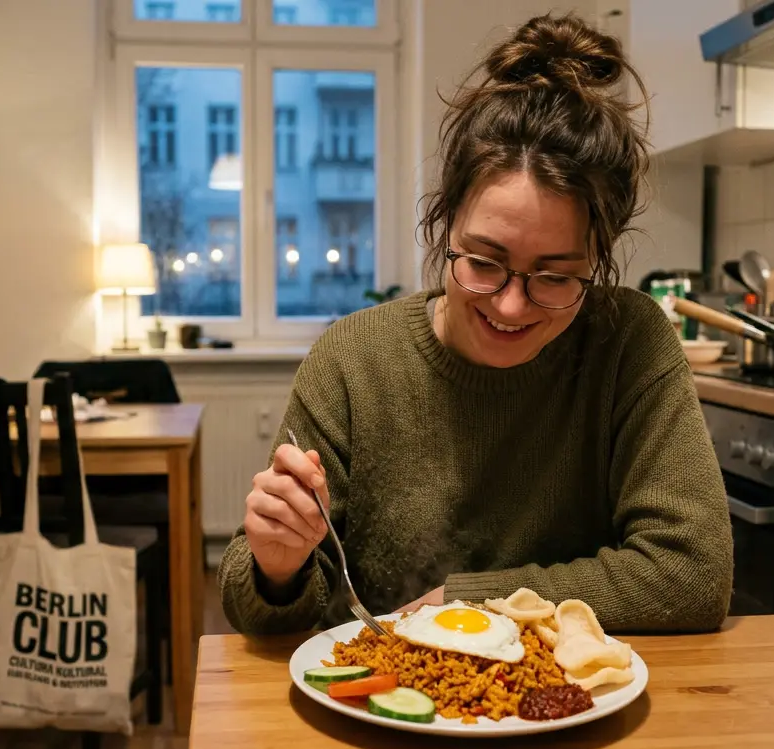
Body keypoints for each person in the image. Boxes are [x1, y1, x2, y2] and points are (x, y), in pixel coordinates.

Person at [219, 11, 733, 635]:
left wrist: (469, 602)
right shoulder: (354, 358)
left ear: (599, 260)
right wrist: (279, 566)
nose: (511, 307)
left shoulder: (629, 341)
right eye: (484, 263)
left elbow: (692, 574)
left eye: (556, 277)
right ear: (445, 226)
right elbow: (259, 606)